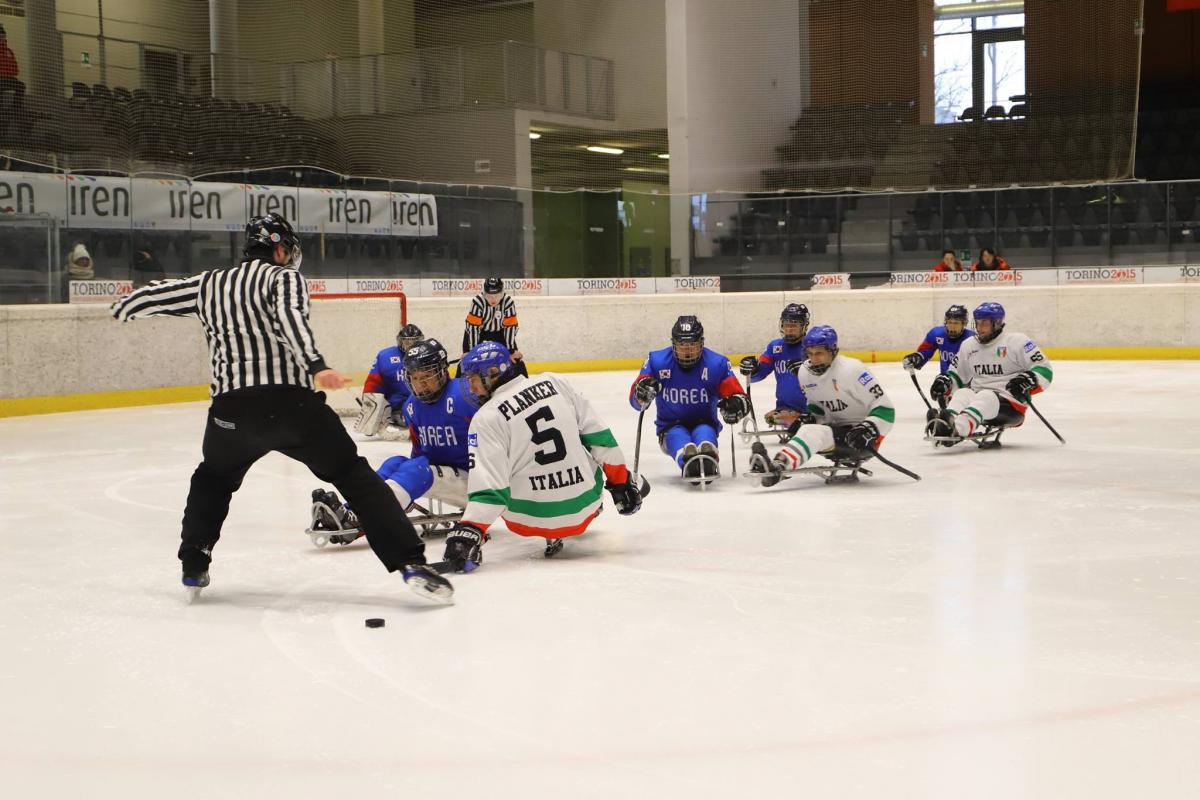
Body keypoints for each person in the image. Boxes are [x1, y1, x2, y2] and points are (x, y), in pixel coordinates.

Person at [110, 212, 453, 603]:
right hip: (292, 406)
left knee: (213, 479)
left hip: (232, 411)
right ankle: (410, 563)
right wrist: (315, 364)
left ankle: (194, 562)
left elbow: (152, 295)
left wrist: (123, 307)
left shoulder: (210, 283)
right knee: (352, 475)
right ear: (279, 247)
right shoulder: (283, 277)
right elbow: (290, 318)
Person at [440, 341, 643, 570]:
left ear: (494, 374)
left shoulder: (486, 418)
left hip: (528, 519)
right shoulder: (554, 381)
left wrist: (469, 531)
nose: (471, 387)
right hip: (588, 504)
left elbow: (490, 490)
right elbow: (600, 437)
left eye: (474, 379)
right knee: (582, 446)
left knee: (502, 470)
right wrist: (621, 483)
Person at [313, 338, 474, 544]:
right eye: (415, 378)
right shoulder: (411, 406)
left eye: (427, 376)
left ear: (443, 371)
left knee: (418, 469)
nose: (421, 384)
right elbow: (419, 453)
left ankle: (364, 520)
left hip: (478, 484)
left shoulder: (467, 395)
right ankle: (347, 511)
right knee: (396, 463)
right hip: (448, 477)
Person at [750, 325, 895, 486]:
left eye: (819, 353)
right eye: (810, 354)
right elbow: (817, 405)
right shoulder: (804, 373)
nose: (814, 359)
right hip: (836, 432)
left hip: (865, 440)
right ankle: (777, 466)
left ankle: (777, 467)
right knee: (808, 429)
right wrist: (810, 417)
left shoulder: (853, 370)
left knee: (812, 432)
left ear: (833, 351)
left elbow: (886, 409)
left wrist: (868, 429)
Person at [629, 315, 749, 483]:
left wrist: (735, 405)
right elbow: (635, 401)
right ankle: (687, 460)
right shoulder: (656, 361)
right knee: (677, 436)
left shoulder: (717, 364)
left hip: (705, 422)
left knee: (705, 433)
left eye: (692, 344)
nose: (687, 350)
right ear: (674, 344)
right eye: (682, 345)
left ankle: (708, 457)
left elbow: (740, 398)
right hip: (670, 427)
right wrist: (641, 393)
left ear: (701, 343)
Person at [926, 301, 1053, 444]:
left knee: (986, 395)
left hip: (1012, 405)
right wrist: (946, 382)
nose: (979, 328)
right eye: (978, 323)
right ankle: (944, 423)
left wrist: (1030, 378)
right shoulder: (969, 345)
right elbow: (957, 374)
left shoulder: (1017, 341)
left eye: (984, 324)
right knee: (963, 393)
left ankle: (958, 429)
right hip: (979, 399)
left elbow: (1044, 369)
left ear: (997, 323)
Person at [738, 303, 810, 427]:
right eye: (787, 325)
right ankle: (798, 421)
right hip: (786, 408)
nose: (789, 329)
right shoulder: (775, 347)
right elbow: (759, 375)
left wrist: (807, 369)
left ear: (804, 326)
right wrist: (752, 370)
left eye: (794, 325)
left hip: (812, 406)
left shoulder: (812, 346)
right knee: (771, 418)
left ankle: (805, 421)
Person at [354, 323, 424, 437]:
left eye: (415, 342)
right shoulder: (386, 356)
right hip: (396, 406)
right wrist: (370, 403)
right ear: (400, 342)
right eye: (407, 342)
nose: (411, 346)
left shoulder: (427, 354)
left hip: (419, 401)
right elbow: (373, 382)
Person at [462, 276, 527, 376]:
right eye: (489, 296)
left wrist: (511, 351)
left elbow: (510, 327)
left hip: (500, 333)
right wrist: (471, 352)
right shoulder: (477, 302)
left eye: (497, 295)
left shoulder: (508, 302)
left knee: (515, 361)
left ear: (502, 293)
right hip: (478, 333)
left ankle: (523, 381)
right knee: (467, 362)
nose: (493, 299)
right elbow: (473, 328)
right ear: (484, 293)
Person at [901, 304, 975, 375]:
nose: (952, 326)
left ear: (963, 324)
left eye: (956, 323)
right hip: (945, 382)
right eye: (950, 322)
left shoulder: (972, 339)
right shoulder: (937, 335)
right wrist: (917, 358)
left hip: (967, 385)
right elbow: (925, 351)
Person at [0, 25, 24, 114]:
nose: (1, 38)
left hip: (8, 78)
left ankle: (16, 107)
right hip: (1, 79)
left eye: (3, 36)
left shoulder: (8, 51)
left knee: (21, 85)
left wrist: (9, 73)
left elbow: (15, 68)